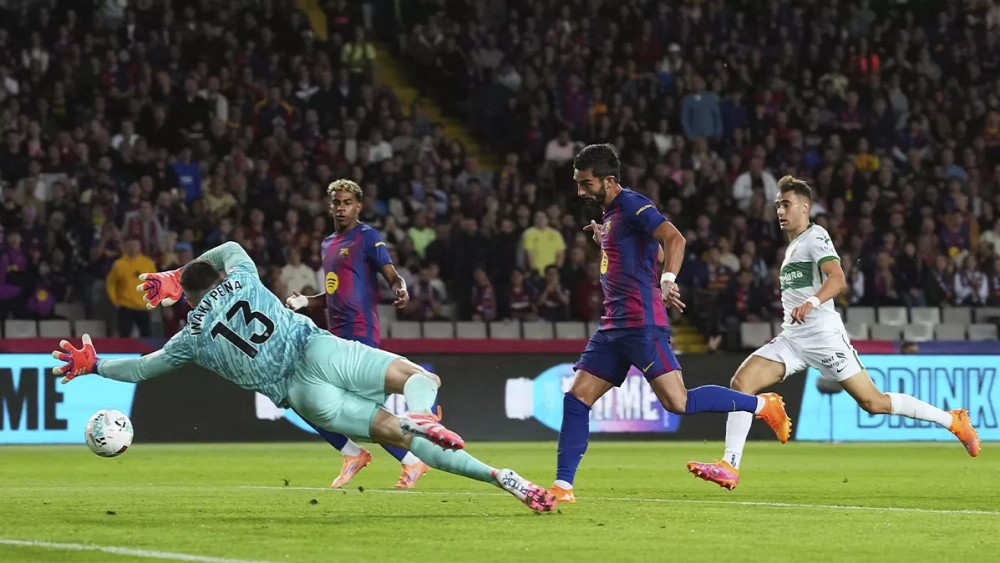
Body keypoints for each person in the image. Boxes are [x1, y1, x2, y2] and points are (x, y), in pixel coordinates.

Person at [53, 241, 556, 513]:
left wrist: (94, 364)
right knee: (416, 376)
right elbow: (229, 246)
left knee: (400, 436)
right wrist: (177, 272)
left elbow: (142, 368)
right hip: (318, 350)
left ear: (184, 296)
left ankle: (500, 477)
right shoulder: (243, 277)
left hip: (302, 394)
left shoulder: (191, 337)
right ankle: (423, 410)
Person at [687, 176, 980, 491]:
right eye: (778, 205)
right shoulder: (793, 246)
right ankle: (730, 465)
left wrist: (812, 302)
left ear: (805, 207)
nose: (780, 211)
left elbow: (838, 279)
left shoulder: (816, 236)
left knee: (874, 402)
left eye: (786, 204)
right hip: (793, 338)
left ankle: (953, 421)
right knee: (742, 383)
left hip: (824, 337)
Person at [550, 144, 792, 503]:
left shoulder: (632, 204)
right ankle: (562, 487)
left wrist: (667, 279)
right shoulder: (612, 216)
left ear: (609, 180)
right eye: (578, 183)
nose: (580, 191)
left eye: (586, 183)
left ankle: (762, 405)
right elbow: (653, 250)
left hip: (642, 324)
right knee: (576, 398)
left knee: (678, 402)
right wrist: (607, 239)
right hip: (612, 327)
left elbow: (673, 238)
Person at [285, 179, 430, 489]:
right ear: (330, 206)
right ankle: (362, 454)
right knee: (301, 396)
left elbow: (391, 274)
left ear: (358, 206)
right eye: (336, 202)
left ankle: (403, 459)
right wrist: (306, 302)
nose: (341, 208)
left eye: (347, 202)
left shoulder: (368, 237)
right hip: (334, 337)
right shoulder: (328, 244)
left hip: (361, 333)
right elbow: (334, 292)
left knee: (363, 412)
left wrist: (400, 288)